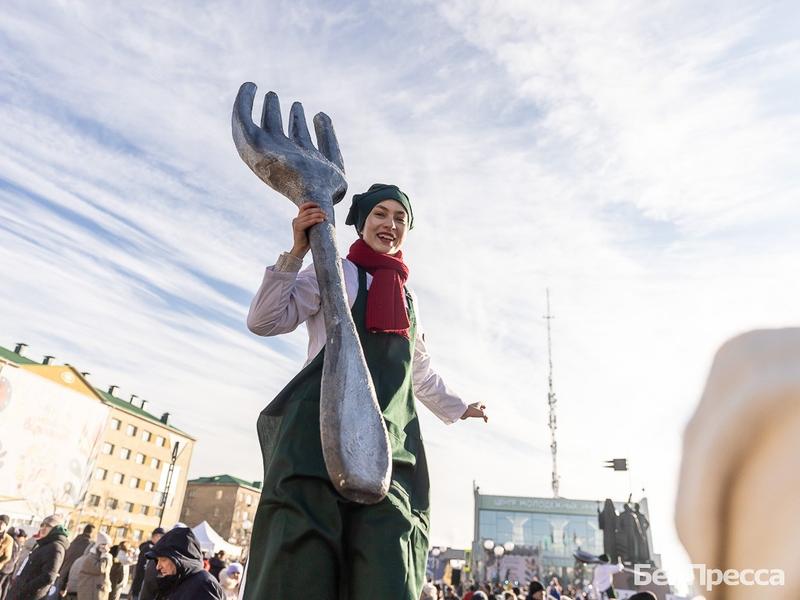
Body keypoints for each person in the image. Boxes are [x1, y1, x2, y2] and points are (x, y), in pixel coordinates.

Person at [243, 184, 488, 600]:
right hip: (318, 434)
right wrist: (296, 253)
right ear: (361, 221)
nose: (390, 224)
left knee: (389, 558)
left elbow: (419, 373)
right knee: (301, 558)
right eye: (380, 214)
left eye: (400, 218)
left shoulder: (407, 299)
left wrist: (460, 407)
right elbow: (266, 320)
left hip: (390, 444)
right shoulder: (335, 271)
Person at [145, 527, 223, 600]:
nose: (158, 566)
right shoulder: (174, 581)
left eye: (163, 560)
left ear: (181, 559)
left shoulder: (204, 585)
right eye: (157, 560)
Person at [7, 515, 69, 600]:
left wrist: (25, 588)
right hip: (19, 593)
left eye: (48, 526)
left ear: (56, 528)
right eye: (42, 525)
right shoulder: (44, 544)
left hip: (28, 596)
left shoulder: (56, 547)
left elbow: (49, 576)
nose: (43, 528)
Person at [58, 525, 95, 595]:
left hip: (63, 573)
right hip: (74, 578)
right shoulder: (89, 546)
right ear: (92, 533)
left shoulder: (74, 542)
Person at [76, 532, 111, 600]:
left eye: (108, 546)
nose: (106, 548)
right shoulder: (90, 557)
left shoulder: (103, 557)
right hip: (89, 592)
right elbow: (100, 569)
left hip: (96, 592)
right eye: (103, 544)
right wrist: (105, 555)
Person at [130, 528, 164, 599]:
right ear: (154, 536)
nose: (162, 539)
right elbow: (144, 568)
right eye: (161, 537)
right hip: (142, 584)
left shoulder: (152, 548)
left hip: (144, 584)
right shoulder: (148, 548)